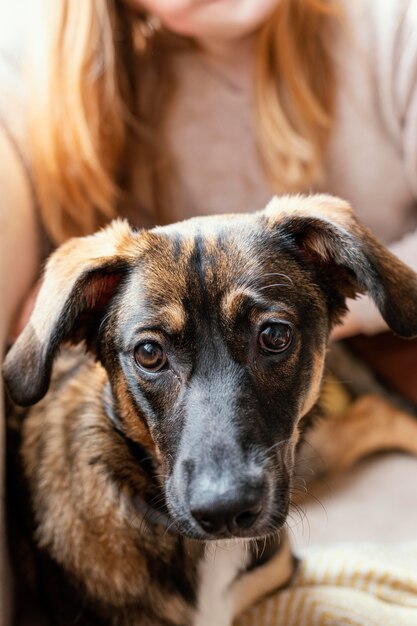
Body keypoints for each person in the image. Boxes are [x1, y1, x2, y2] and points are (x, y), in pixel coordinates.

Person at [1, 0, 417, 623]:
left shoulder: (391, 24)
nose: (223, 490)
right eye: (151, 354)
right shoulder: (60, 83)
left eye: (271, 336)